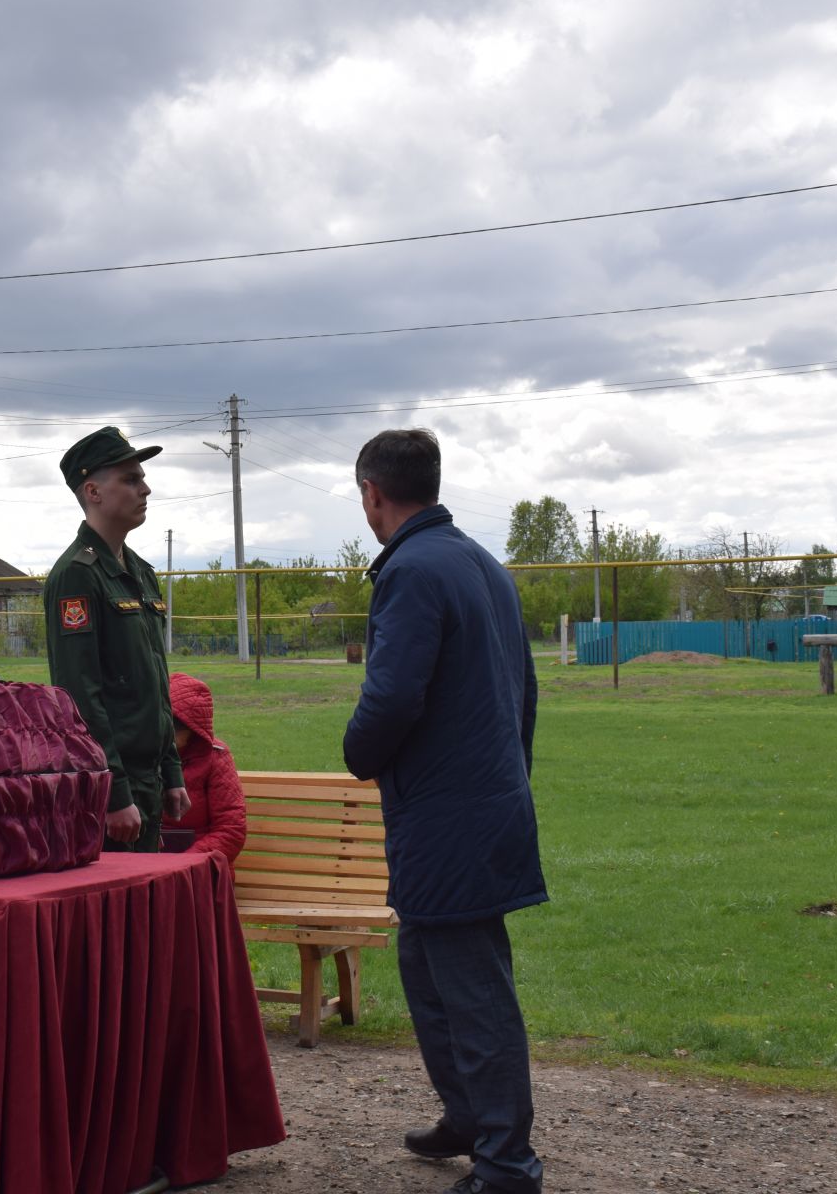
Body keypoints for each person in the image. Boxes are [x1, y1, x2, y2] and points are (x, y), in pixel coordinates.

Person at [341, 429, 545, 1194]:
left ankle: (506, 1163)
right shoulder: (480, 564)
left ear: (372, 494)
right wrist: (506, 781)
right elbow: (525, 692)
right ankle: (467, 1116)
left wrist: (359, 751)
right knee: (427, 971)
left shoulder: (415, 570)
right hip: (474, 807)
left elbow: (391, 695)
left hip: (448, 816)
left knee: (470, 987)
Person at [43, 426, 187, 852]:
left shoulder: (139, 572)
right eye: (129, 479)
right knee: (115, 918)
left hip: (149, 781)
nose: (145, 488)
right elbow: (79, 695)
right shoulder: (77, 575)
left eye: (141, 477)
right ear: (93, 491)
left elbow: (155, 686)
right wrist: (114, 792)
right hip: (113, 790)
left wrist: (172, 772)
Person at [165, 673, 247, 862]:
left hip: (197, 869)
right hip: (145, 864)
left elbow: (231, 831)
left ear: (193, 729)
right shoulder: (138, 755)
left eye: (175, 729)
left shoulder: (216, 756)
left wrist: (185, 864)